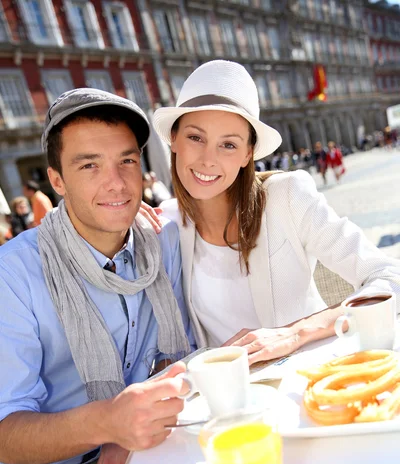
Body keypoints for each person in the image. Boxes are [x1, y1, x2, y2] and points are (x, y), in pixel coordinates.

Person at [0, 88, 195, 464]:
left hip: (139, 461)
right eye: (90, 166)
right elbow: (3, 431)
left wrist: (119, 433)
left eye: (127, 160)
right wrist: (108, 423)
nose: (116, 183)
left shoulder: (160, 244)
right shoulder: (13, 276)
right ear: (57, 181)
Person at [141, 59, 400, 363]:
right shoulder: (167, 224)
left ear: (248, 154)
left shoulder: (287, 196)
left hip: (307, 381)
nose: (208, 159)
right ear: (174, 139)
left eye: (228, 145)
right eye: (195, 137)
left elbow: (389, 275)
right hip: (228, 401)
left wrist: (295, 332)